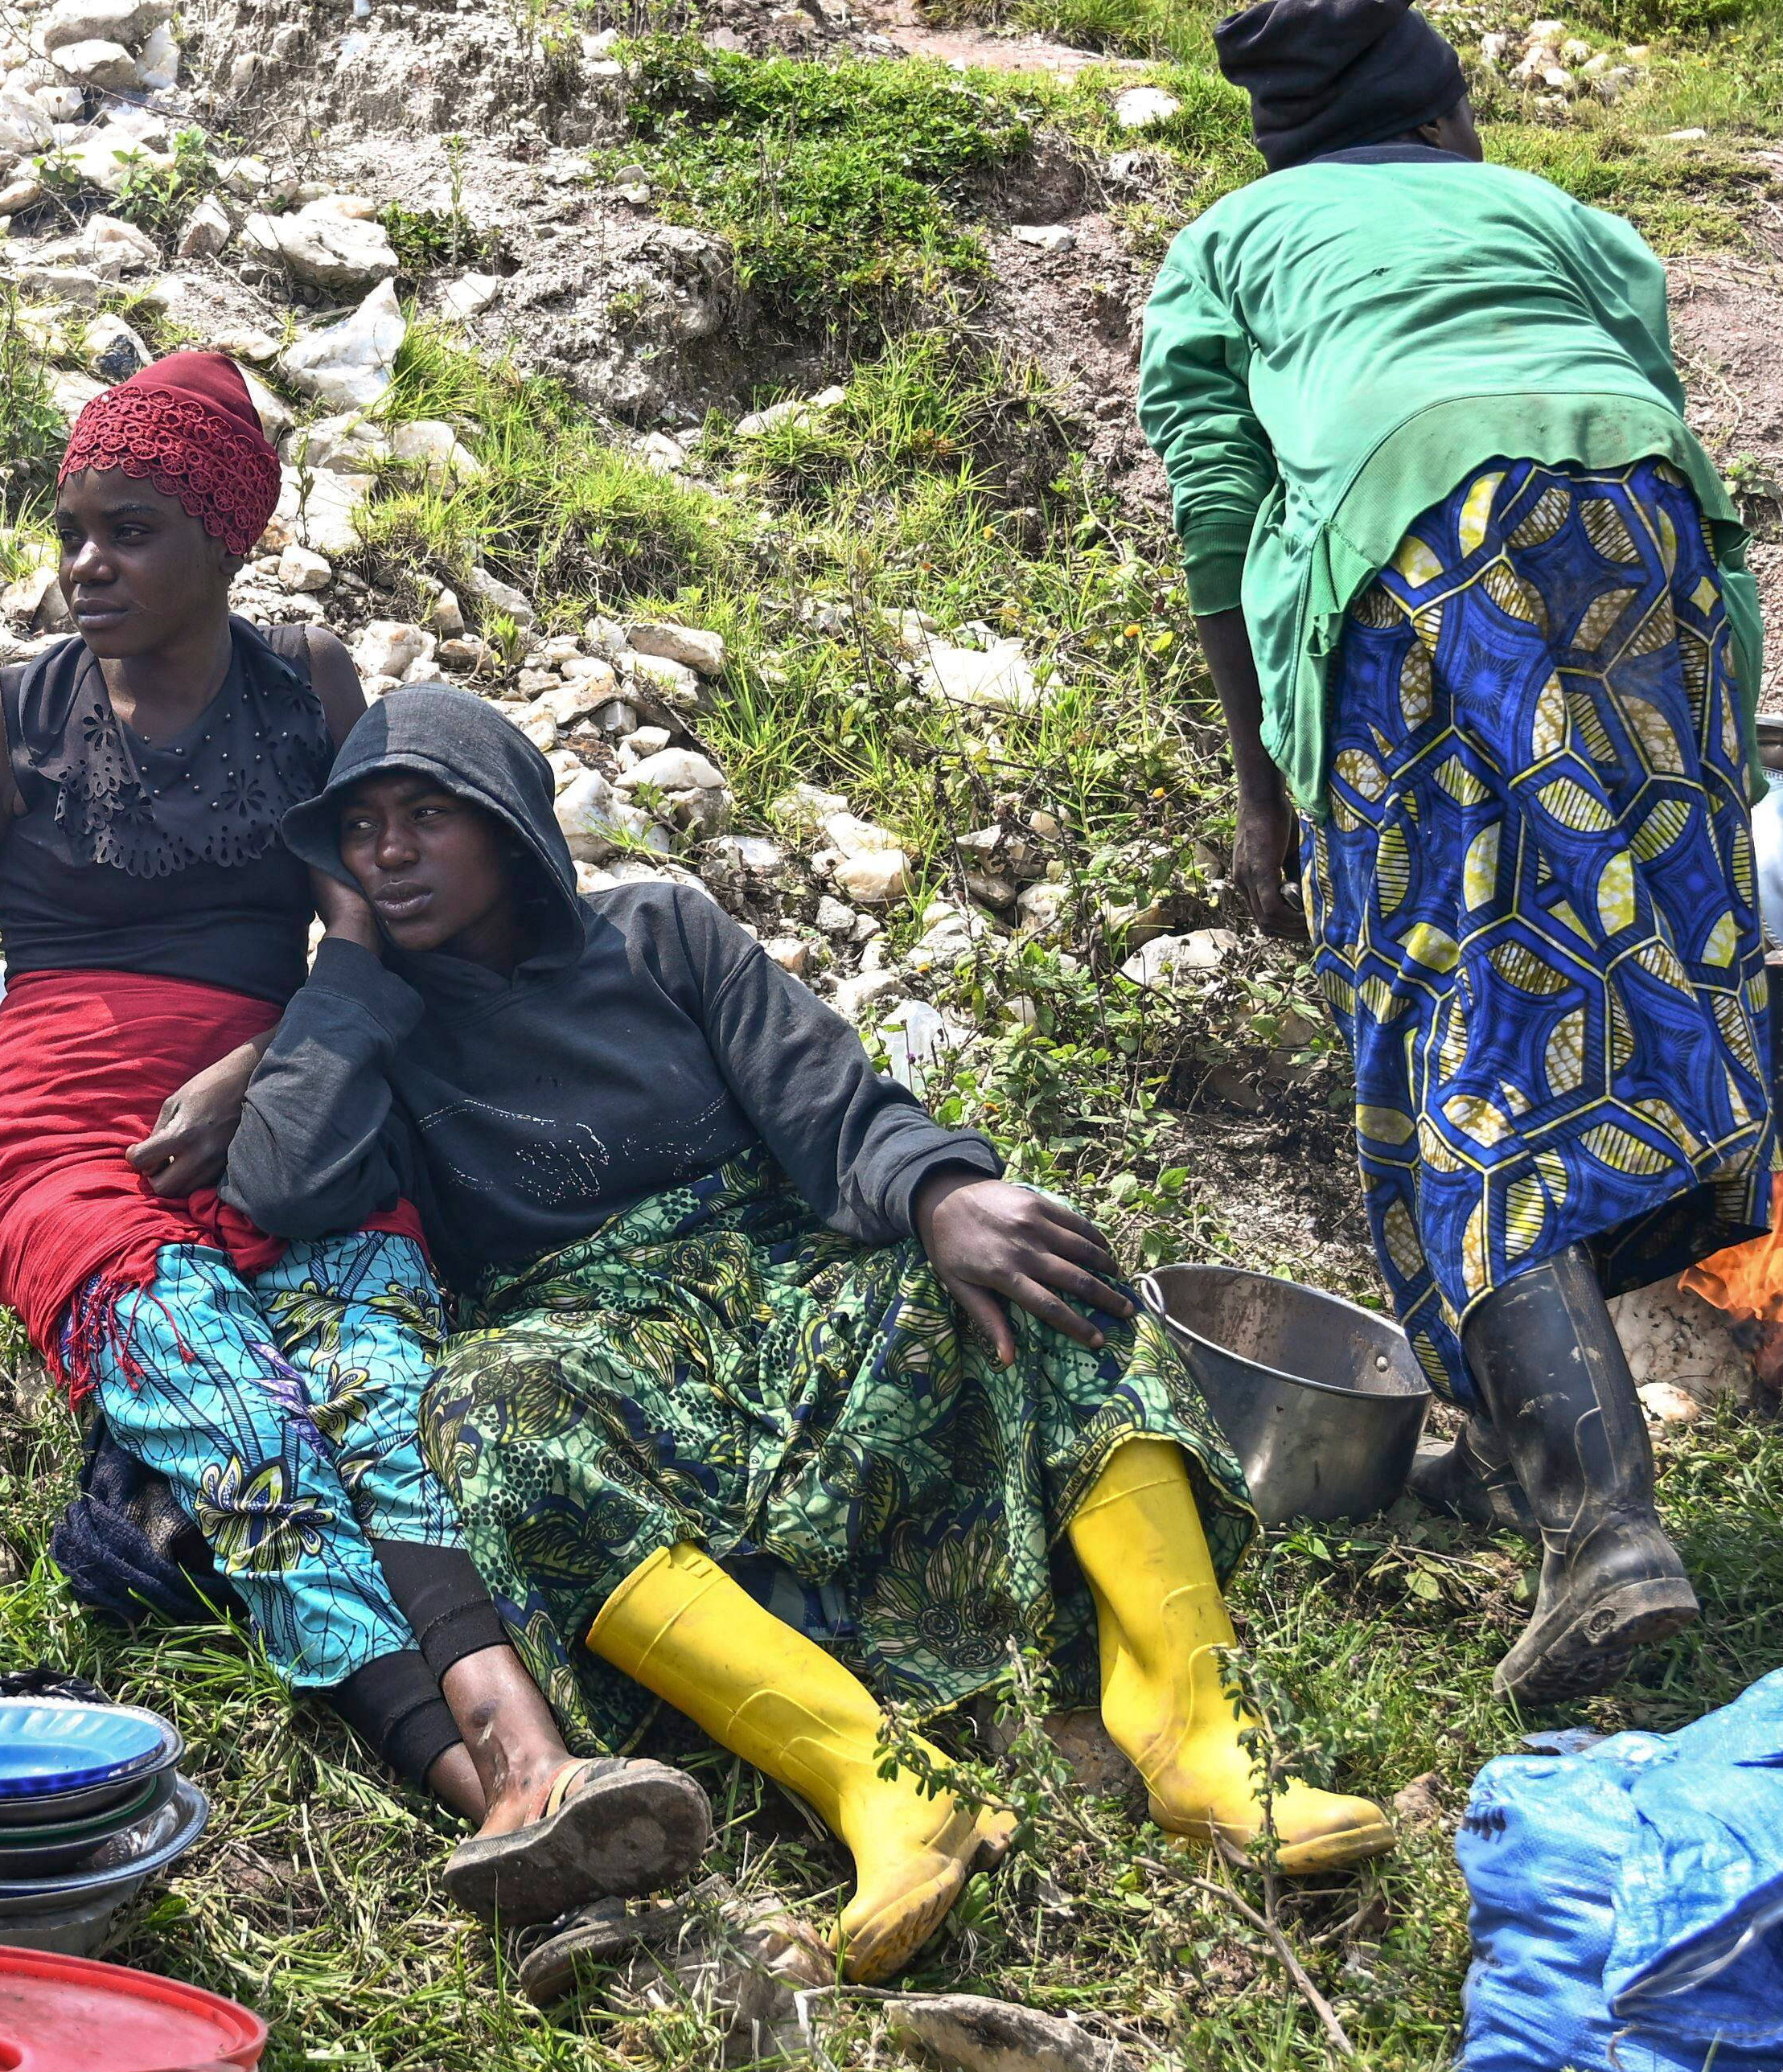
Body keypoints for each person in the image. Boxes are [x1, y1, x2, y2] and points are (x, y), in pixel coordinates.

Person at [0, 356, 705, 1927]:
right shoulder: (4, 723)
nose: (88, 564)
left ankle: (538, 1758)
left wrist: (257, 1063)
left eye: (133, 530)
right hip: (60, 1140)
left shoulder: (304, 682)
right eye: (73, 531)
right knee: (241, 1421)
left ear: (226, 540)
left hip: (293, 1112)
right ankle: (502, 1804)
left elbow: (368, 929)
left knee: (389, 1394)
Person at [224, 685, 1378, 1986]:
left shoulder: (658, 929)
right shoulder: (379, 1017)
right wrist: (354, 972)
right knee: (482, 1409)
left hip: (782, 1269)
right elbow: (278, 1180)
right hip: (586, 1329)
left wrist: (941, 1191)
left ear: (510, 824)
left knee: (1046, 1277)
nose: (388, 849)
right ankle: (883, 1784)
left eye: (428, 815)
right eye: (364, 826)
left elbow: (830, 1096)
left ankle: (1192, 1728)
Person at [1143, 0, 1768, 1712]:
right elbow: (1679, 458)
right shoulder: (1563, 219)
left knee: (1461, 1019)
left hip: (1435, 579)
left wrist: (1266, 785)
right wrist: (1719, 766)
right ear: (1437, 117)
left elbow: (1218, 507)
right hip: (1641, 546)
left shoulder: (1232, 247)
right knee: (1608, 979)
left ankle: (1604, 1533)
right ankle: (1523, 1450)